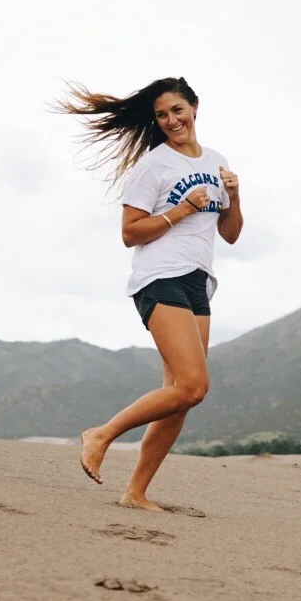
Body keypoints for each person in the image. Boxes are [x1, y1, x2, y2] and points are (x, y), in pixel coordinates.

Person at [56, 77, 244, 509]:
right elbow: (130, 233)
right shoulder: (152, 166)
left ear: (194, 107)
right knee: (193, 387)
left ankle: (135, 492)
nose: (171, 120)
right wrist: (183, 209)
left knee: (179, 398)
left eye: (177, 110)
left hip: (198, 281)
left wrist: (234, 197)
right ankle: (100, 434)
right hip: (160, 278)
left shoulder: (217, 161)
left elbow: (231, 235)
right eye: (162, 115)